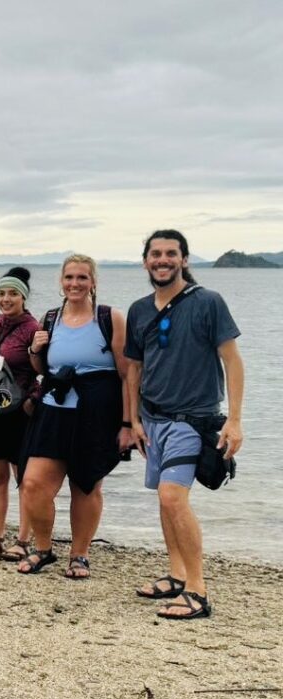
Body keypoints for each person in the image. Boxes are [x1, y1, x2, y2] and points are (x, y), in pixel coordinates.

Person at [126, 230, 243, 620]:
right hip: (154, 420)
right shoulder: (140, 309)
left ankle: (198, 590)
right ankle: (177, 575)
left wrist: (236, 420)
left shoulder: (208, 302)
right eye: (155, 254)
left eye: (171, 254)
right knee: (164, 497)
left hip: (193, 419)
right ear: (145, 261)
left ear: (185, 259)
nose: (163, 260)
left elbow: (233, 361)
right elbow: (134, 370)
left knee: (173, 497)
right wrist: (134, 420)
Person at [17, 255, 132, 576]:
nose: (75, 283)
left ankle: (79, 554)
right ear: (61, 282)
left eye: (82, 277)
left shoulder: (110, 318)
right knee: (33, 484)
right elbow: (43, 370)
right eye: (69, 277)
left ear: (93, 282)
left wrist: (128, 424)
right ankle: (43, 548)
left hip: (97, 413)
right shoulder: (51, 318)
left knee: (86, 484)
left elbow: (127, 375)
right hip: (54, 410)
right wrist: (34, 350)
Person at [0, 267, 40, 561]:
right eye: (1, 293)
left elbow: (44, 371)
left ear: (23, 297)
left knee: (23, 478)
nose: (6, 299)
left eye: (13, 293)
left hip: (18, 413)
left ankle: (24, 540)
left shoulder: (33, 327)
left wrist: (31, 402)